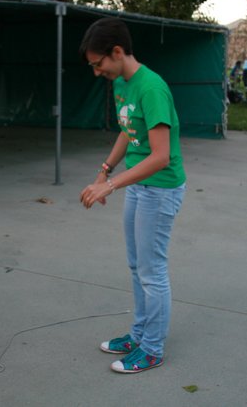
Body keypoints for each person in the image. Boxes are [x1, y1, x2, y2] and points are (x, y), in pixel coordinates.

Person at [78, 18, 187, 374]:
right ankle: (139, 334)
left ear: (118, 52)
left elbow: (161, 156)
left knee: (152, 271)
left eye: (99, 64)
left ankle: (152, 348)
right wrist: (105, 169)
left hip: (160, 187)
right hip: (138, 185)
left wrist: (109, 186)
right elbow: (129, 129)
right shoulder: (122, 83)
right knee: (137, 266)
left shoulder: (151, 88)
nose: (97, 72)